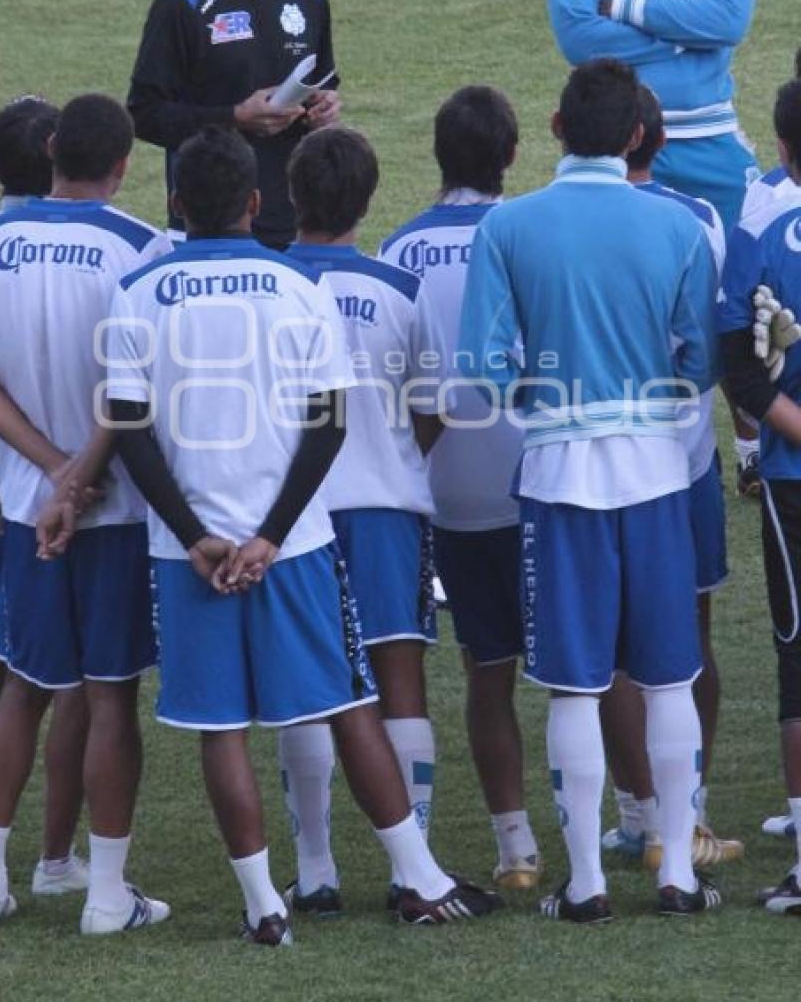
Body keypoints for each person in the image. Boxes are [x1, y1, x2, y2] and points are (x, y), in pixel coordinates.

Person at [98, 125, 501, 944]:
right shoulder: (294, 287)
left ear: (176, 203)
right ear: (255, 202)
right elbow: (328, 426)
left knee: (222, 727)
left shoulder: (137, 291)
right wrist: (271, 535)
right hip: (297, 546)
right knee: (347, 700)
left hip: (187, 552)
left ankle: (265, 902)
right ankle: (418, 878)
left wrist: (197, 535)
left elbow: (130, 429)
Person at [459, 58, 718, 922]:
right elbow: (698, 361)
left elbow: (483, 374)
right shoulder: (679, 228)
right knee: (670, 676)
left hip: (561, 475)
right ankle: (677, 869)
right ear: (638, 134)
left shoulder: (508, 228)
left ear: (558, 127)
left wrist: (552, 400)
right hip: (654, 474)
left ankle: (587, 883)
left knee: (575, 684)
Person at [0, 94, 171, 934]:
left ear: (51, 150)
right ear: (122, 165)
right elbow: (134, 392)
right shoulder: (140, 246)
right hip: (112, 512)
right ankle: (106, 896)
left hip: (24, 507)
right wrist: (82, 476)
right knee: (110, 696)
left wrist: (47, 474)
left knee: (23, 685)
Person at [546, 0, 760, 491]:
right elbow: (579, 36)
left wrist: (628, 8)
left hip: (711, 147)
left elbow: (728, 21)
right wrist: (681, 33)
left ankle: (753, 439)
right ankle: (624, 442)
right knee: (623, 294)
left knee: (740, 299)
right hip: (616, 148)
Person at [379, 85, 541, 891]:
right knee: (601, 666)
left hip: (448, 497)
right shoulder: (532, 232)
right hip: (545, 483)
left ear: (437, 156)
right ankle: (639, 823)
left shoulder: (397, 251)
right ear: (512, 155)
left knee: (488, 669)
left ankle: (514, 847)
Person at [280, 126, 443, 915]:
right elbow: (432, 409)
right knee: (399, 685)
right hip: (384, 509)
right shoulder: (398, 289)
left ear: (291, 196)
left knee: (306, 686)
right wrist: (397, 456)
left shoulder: (268, 284)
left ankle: (315, 871)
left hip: (293, 516)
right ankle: (415, 869)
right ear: (369, 199)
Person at [598, 83, 743, 868]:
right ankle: (687, 813)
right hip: (682, 459)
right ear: (656, 139)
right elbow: (715, 346)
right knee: (690, 631)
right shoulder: (701, 220)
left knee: (613, 644)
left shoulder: (546, 218)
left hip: (588, 460)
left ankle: (641, 812)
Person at [0, 97, 89, 896]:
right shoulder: (107, 245)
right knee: (69, 678)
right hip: (69, 496)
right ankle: (55, 860)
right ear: (52, 148)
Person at [127, 0, 340, 249]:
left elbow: (323, 78)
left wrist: (325, 107)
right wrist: (235, 118)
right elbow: (144, 114)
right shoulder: (182, 2)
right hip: (207, 222)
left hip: (293, 217)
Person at [719, 77, 801, 913]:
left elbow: (739, 370)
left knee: (800, 662)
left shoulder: (759, 228)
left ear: (780, 147)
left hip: (792, 477)